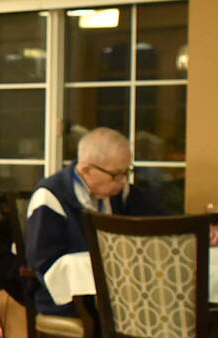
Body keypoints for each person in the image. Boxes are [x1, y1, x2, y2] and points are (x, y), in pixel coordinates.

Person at [25, 127, 163, 316]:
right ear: (87, 170)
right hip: (66, 300)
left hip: (115, 293)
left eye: (126, 172)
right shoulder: (50, 196)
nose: (123, 181)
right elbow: (42, 263)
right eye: (116, 174)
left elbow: (160, 220)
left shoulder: (119, 192)